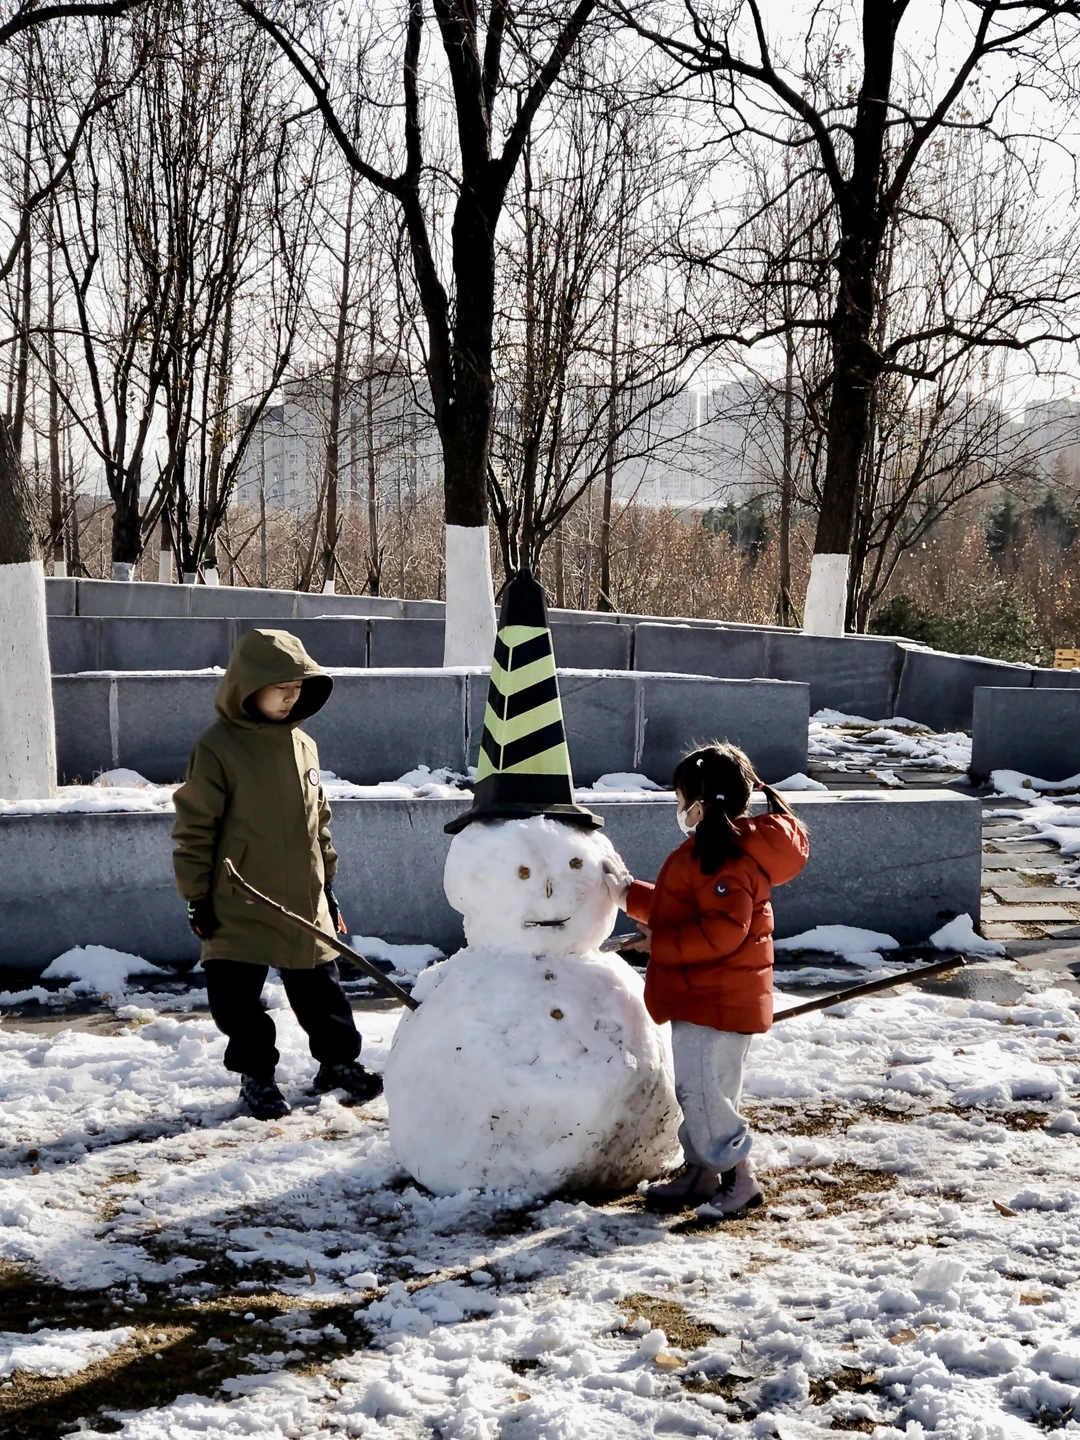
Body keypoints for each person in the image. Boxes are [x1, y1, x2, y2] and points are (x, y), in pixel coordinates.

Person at [171, 628, 381, 1121]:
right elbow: (194, 827)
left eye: (298, 688)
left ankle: (338, 1063)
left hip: (305, 898)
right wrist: (197, 895)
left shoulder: (303, 744)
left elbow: (318, 823)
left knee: (322, 992)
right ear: (249, 685)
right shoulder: (218, 747)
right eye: (281, 686)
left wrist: (327, 887)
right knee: (236, 1000)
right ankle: (257, 1078)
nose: (292, 697)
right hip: (239, 899)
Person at [615, 743, 809, 1216]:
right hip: (710, 997)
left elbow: (722, 933)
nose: (678, 808)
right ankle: (702, 1172)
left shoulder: (724, 859)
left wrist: (656, 944)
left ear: (702, 802)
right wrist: (625, 893)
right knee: (704, 1091)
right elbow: (682, 908)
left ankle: (740, 1180)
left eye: (681, 798)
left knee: (705, 1095)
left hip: (716, 1001)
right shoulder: (718, 851)